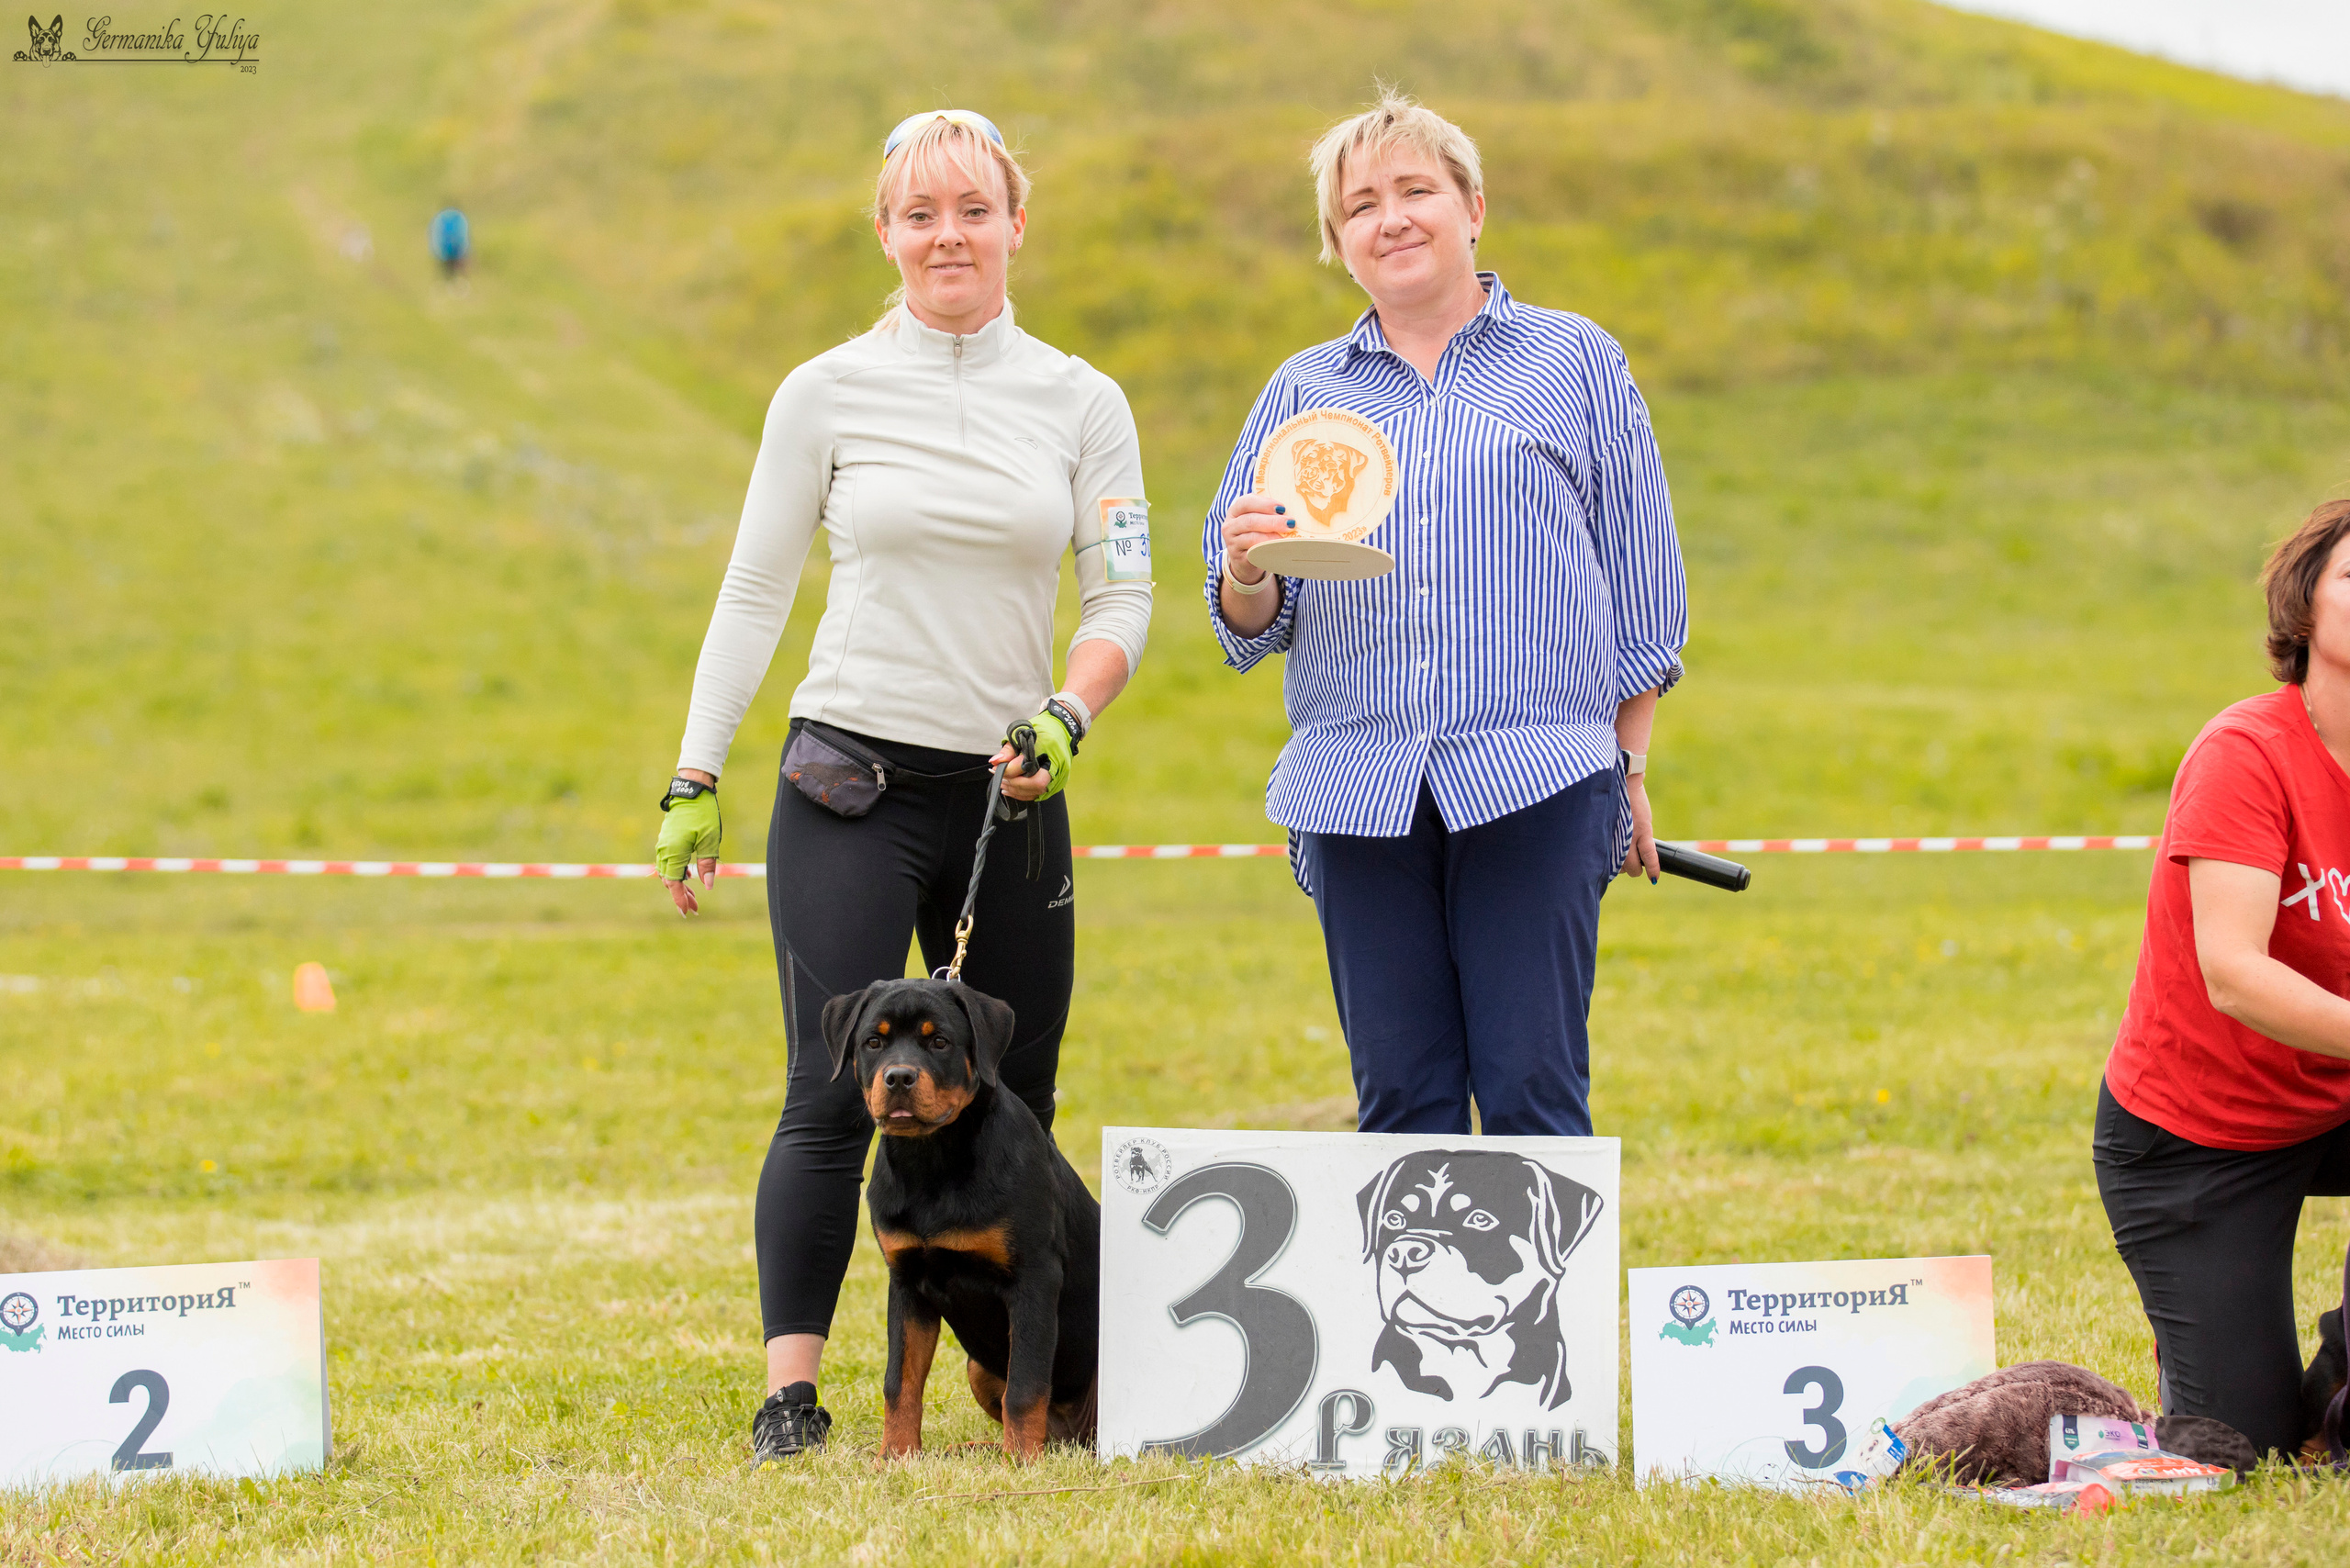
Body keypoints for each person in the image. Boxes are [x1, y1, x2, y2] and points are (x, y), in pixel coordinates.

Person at [652, 109, 1153, 1461]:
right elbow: (756, 588)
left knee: (1018, 1092)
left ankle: (1036, 1401)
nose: (949, 234)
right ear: (885, 232)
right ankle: (794, 1401)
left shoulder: (1082, 399)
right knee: (832, 1092)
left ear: (1015, 224)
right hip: (849, 782)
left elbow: (1125, 592)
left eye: (973, 209)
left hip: (1013, 791)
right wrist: (695, 768)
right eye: (920, 212)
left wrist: (1069, 712)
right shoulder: (824, 390)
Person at [1202, 92, 1686, 1139]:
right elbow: (1248, 618)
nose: (1393, 218)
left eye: (1416, 190)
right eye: (1361, 205)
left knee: (1533, 1093)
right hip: (1356, 790)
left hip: (1538, 777)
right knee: (1399, 1103)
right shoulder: (1301, 391)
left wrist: (1631, 770)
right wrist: (1247, 564)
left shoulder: (1576, 361)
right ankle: (1413, 1312)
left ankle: (1538, 1311)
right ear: (1339, 243)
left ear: (1473, 206)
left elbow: (1642, 591)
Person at [2097, 497, 2350, 1461]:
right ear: (2303, 608)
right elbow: (2234, 974)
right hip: (2195, 1134)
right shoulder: (2246, 752)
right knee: (2240, 1449)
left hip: (2335, 1096)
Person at [430, 204, 469, 278]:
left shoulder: (441, 218)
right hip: (456, 251)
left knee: (448, 273)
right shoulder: (459, 218)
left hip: (445, 252)